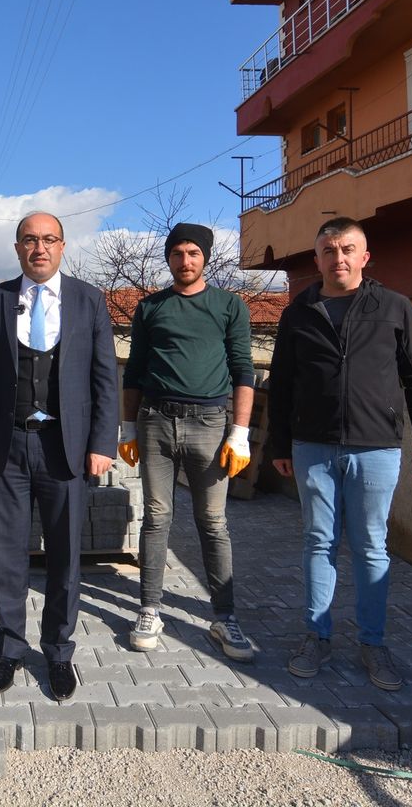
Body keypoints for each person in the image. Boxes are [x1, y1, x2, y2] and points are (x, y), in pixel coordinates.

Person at [268, 216, 412, 691]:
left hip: (376, 447)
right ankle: (316, 637)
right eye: (328, 250)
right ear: (317, 258)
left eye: (347, 249)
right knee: (318, 542)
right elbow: (281, 383)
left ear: (364, 257)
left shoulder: (393, 307)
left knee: (370, 547)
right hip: (312, 446)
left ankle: (373, 644)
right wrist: (279, 443)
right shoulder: (298, 312)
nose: (337, 258)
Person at [0, 211, 118, 701]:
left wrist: (102, 443)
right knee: (6, 556)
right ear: (17, 248)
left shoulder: (88, 300)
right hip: (7, 447)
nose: (39, 248)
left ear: (63, 246)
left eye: (49, 239)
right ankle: (9, 648)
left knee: (65, 557)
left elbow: (104, 377)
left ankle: (57, 652)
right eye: (30, 240)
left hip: (65, 449)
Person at [118, 223, 258, 661]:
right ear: (169, 258)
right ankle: (149, 609)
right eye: (177, 253)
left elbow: (243, 370)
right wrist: (126, 428)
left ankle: (224, 617)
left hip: (211, 424)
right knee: (157, 518)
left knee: (213, 522)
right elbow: (134, 371)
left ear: (206, 257)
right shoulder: (150, 308)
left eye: (193, 253)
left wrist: (240, 432)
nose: (185, 260)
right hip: (156, 420)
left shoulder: (229, 305)